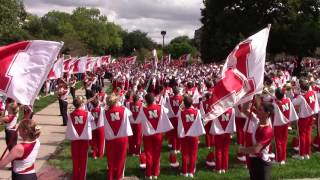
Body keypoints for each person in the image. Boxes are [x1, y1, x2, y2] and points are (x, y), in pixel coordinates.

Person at [134, 93, 173, 179]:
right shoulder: (160, 107)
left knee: (148, 154)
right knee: (157, 154)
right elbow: (167, 110)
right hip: (158, 134)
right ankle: (155, 173)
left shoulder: (143, 109)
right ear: (154, 100)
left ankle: (148, 174)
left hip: (148, 135)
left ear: (146, 101)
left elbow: (137, 121)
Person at [238, 103, 274, 180]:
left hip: (262, 163)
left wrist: (242, 150)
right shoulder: (257, 121)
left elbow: (256, 149)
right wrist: (250, 96)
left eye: (260, 110)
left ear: (267, 113)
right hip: (254, 161)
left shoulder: (267, 130)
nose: (257, 111)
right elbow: (244, 110)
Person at [103, 95, 133, 180]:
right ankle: (119, 176)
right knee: (121, 158)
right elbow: (130, 114)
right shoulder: (124, 109)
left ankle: (111, 176)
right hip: (122, 137)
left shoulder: (104, 112)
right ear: (116, 101)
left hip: (110, 138)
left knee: (111, 158)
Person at [66, 96, 94, 180]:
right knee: (83, 160)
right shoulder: (87, 114)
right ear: (82, 104)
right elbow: (92, 119)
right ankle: (82, 177)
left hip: (74, 139)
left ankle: (75, 176)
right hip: (84, 139)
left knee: (75, 159)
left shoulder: (70, 114)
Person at [177, 95, 205, 177]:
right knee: (193, 154)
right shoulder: (197, 112)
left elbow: (180, 124)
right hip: (194, 136)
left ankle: (185, 171)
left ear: (184, 103)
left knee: (185, 153)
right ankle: (191, 171)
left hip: (185, 135)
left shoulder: (181, 112)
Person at [292, 79, 319, 159]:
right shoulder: (313, 93)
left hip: (303, 118)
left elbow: (293, 103)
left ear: (302, 89)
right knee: (308, 134)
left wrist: (297, 93)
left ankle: (301, 154)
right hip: (310, 116)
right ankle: (307, 153)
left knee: (302, 136)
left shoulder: (302, 97)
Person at [273, 88, 298, 164]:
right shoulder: (288, 100)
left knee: (278, 142)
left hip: (278, 124)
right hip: (286, 123)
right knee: (284, 140)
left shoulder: (275, 105)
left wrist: (275, 100)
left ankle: (278, 159)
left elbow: (272, 110)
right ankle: (283, 158)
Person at [210, 108, 235, 174]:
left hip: (219, 132)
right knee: (226, 150)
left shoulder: (216, 109)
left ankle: (218, 168)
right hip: (227, 132)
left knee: (218, 150)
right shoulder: (232, 109)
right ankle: (225, 167)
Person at [166, 86, 183, 167]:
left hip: (172, 117)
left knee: (173, 133)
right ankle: (179, 148)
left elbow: (168, 107)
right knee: (179, 132)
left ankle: (174, 147)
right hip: (179, 117)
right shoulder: (181, 98)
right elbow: (183, 108)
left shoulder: (169, 99)